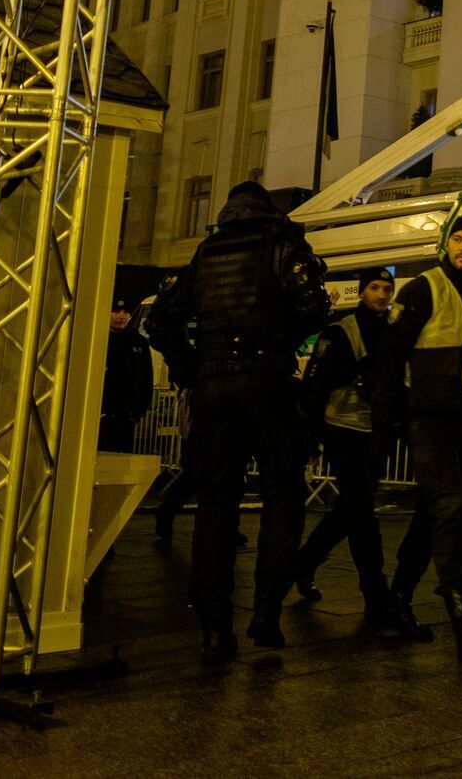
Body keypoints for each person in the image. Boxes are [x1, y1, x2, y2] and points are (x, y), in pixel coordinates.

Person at [145, 180, 330, 664]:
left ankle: (213, 626)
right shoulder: (282, 244)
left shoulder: (205, 254)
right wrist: (279, 341)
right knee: (283, 495)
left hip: (213, 389)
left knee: (215, 505)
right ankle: (266, 612)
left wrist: (189, 366)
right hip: (267, 382)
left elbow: (159, 321)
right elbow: (316, 306)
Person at [373, 211, 462, 663]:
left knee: (446, 512)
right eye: (459, 239)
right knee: (450, 505)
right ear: (447, 243)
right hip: (429, 415)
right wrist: (389, 422)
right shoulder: (423, 288)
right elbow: (391, 358)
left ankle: (397, 598)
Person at [294, 267, 430, 640]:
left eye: (387, 288)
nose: (382, 294)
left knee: (350, 511)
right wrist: (312, 441)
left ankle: (304, 564)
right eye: (375, 287)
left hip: (376, 433)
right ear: (361, 291)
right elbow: (315, 388)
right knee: (362, 514)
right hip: (343, 430)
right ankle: (376, 595)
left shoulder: (394, 329)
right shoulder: (342, 331)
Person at [97, 296, 155, 454]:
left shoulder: (138, 342)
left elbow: (146, 378)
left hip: (127, 417)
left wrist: (138, 411)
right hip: (100, 416)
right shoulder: (98, 339)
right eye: (116, 311)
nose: (121, 316)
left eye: (126, 312)